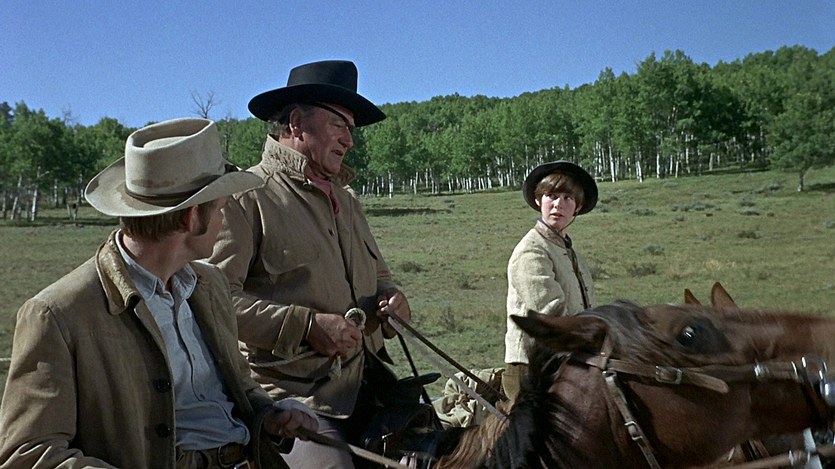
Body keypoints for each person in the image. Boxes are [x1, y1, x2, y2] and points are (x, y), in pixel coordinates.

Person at [0, 118, 319, 469]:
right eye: (221, 208)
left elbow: (238, 387)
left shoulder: (210, 285)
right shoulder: (58, 315)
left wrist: (269, 415)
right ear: (192, 218)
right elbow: (28, 454)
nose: (223, 220)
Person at [208, 60, 413, 468]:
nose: (349, 140)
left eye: (351, 129)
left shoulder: (348, 202)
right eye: (340, 125)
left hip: (368, 384)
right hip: (292, 398)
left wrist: (392, 301)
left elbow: (380, 277)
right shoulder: (246, 199)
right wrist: (306, 326)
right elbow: (213, 302)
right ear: (297, 123)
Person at [503, 161, 598, 402]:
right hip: (532, 369)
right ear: (539, 200)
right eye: (551, 196)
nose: (558, 204)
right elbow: (551, 313)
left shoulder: (567, 250)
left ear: (577, 207)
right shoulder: (532, 250)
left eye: (567, 198)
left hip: (565, 361)